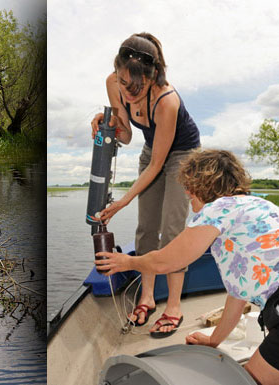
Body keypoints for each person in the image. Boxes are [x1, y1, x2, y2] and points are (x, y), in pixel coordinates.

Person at [96, 149, 279, 385]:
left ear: (199, 186)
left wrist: (127, 262)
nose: (187, 193)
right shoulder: (259, 206)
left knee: (248, 380)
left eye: (188, 187)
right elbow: (237, 297)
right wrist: (213, 341)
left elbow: (167, 261)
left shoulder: (218, 208)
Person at [90, 32, 200, 337]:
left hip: (182, 155)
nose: (128, 92)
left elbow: (157, 167)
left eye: (136, 87)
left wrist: (123, 201)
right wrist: (108, 123)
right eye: (124, 84)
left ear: (153, 77)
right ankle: (147, 297)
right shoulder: (115, 82)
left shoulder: (168, 101)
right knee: (146, 228)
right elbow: (125, 135)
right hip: (152, 151)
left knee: (172, 230)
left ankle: (174, 306)